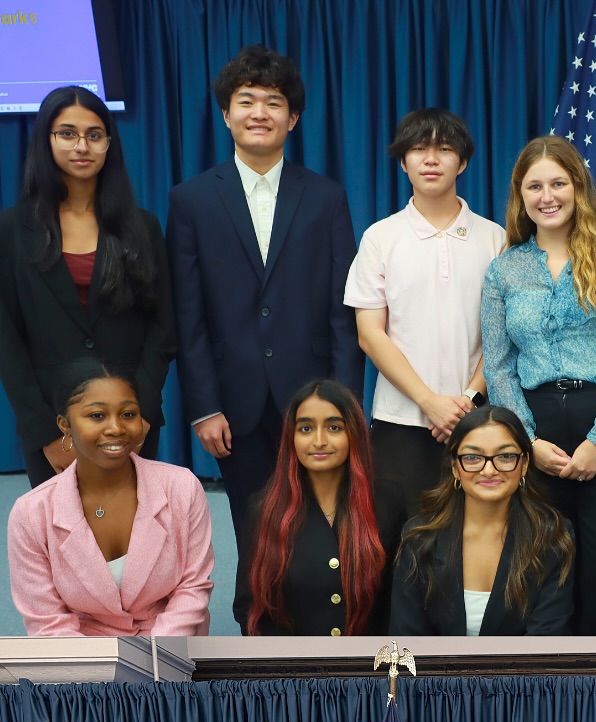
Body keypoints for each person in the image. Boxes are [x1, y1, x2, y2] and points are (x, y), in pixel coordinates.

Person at [167, 45, 362, 542]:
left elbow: (344, 312)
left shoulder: (325, 197)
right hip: (235, 405)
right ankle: (255, 620)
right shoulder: (191, 200)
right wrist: (205, 406)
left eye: (273, 102)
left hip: (315, 398)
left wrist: (345, 405)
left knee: (324, 530)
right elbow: (187, 315)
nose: (259, 113)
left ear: (293, 118)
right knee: (254, 532)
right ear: (226, 114)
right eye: (247, 100)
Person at [481, 136, 596, 634]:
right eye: (534, 185)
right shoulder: (504, 270)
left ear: (579, 188)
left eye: (558, 183)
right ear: (520, 195)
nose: (547, 195)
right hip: (533, 431)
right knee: (543, 572)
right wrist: (527, 443)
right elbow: (499, 366)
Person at [345, 107, 505, 590]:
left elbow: (501, 335)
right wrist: (430, 402)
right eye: (419, 149)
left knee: (474, 545)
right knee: (397, 548)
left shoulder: (494, 237)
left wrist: (467, 402)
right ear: (403, 163)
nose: (431, 160)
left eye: (444, 149)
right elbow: (370, 333)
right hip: (399, 423)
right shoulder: (381, 237)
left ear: (463, 162)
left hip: (477, 422)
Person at [0, 86, 175, 488]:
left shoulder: (142, 227)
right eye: (67, 133)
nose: (82, 146)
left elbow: (164, 328)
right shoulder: (12, 230)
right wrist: (45, 430)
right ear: (46, 140)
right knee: (63, 542)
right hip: (51, 420)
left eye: (95, 135)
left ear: (109, 144)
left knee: (136, 541)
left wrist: (140, 412)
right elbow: (7, 339)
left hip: (129, 419)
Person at [6, 361, 213, 635]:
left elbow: (192, 589)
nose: (116, 428)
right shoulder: (31, 513)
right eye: (97, 416)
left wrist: (157, 665)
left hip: (172, 650)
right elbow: (47, 621)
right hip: (80, 660)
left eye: (128, 414)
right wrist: (96, 674)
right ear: (64, 425)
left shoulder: (182, 488)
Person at [389, 404, 575, 635]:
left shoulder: (553, 535)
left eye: (505, 456)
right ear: (455, 467)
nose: (488, 470)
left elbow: (546, 641)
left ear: (525, 464)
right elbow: (407, 639)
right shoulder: (419, 537)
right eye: (473, 457)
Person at [234, 378, 384, 636]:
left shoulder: (387, 503)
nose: (319, 441)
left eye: (334, 427)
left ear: (354, 433)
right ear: (290, 437)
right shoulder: (264, 509)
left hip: (372, 668)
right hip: (294, 669)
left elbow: (400, 606)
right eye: (305, 429)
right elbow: (250, 606)